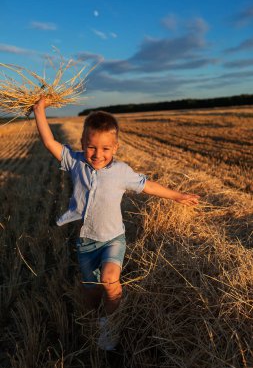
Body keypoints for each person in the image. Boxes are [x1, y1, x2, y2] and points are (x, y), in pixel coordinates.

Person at [33, 97, 199, 350]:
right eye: (91, 147)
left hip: (113, 239)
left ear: (116, 148)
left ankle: (110, 324)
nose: (98, 154)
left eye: (106, 149)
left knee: (110, 281)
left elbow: (148, 186)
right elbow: (49, 141)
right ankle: (95, 317)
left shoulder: (122, 172)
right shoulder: (75, 163)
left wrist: (178, 196)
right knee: (91, 291)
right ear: (82, 144)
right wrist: (39, 110)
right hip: (86, 243)